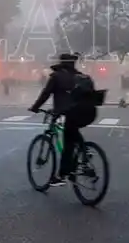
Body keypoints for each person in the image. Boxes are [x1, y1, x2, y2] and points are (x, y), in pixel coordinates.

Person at [28, 52, 98, 186]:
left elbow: (45, 94)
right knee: (72, 130)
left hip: (71, 112)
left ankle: (62, 176)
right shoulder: (82, 77)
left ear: (61, 63)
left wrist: (35, 107)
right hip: (90, 113)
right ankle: (84, 150)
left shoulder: (56, 77)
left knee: (68, 142)